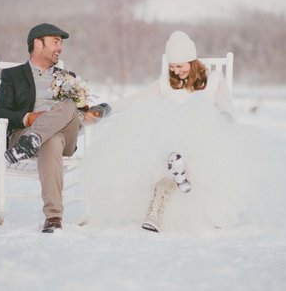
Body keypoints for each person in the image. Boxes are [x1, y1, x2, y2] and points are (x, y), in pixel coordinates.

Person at [83, 31, 266, 233]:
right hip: (168, 139)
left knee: (186, 140)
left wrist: (217, 123)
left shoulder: (213, 79)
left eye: (180, 66)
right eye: (172, 67)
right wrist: (106, 108)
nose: (176, 71)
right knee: (167, 147)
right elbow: (135, 99)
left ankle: (163, 205)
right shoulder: (165, 83)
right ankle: (162, 197)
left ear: (192, 62)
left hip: (205, 136)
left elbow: (226, 109)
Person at [0, 23, 101, 233]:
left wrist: (91, 112)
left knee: (68, 105)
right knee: (52, 139)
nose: (60, 48)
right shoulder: (13, 76)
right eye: (56, 42)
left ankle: (34, 140)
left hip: (65, 139)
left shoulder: (68, 77)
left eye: (61, 43)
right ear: (38, 44)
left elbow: (79, 111)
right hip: (25, 134)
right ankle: (54, 218)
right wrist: (29, 118)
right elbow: (0, 113)